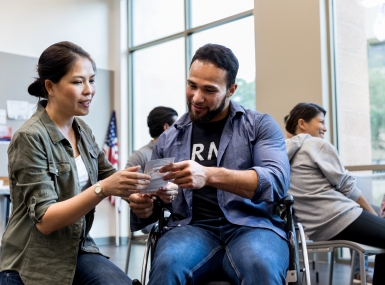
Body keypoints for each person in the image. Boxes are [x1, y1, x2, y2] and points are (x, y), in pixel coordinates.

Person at [129, 44, 291, 285]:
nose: (196, 97)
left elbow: (275, 181)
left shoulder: (259, 126)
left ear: (231, 90)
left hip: (253, 226)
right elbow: (153, 203)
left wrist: (209, 175)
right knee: (167, 265)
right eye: (192, 85)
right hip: (190, 229)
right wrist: (144, 206)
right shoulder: (169, 138)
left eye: (209, 90)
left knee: (261, 266)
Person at [0, 41, 152, 285]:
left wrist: (136, 195)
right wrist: (104, 189)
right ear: (50, 86)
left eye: (92, 80)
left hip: (77, 248)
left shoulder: (82, 130)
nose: (89, 90)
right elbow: (46, 220)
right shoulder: (30, 137)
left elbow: (107, 174)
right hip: (32, 260)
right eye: (78, 81)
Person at [285, 102, 385, 284]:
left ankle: (360, 274)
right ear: (302, 123)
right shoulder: (317, 145)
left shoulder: (280, 154)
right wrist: (374, 214)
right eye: (321, 122)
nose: (325, 128)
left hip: (316, 229)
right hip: (340, 217)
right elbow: (347, 187)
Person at [125, 106, 178, 232]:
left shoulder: (177, 152)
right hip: (153, 215)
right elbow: (127, 189)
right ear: (166, 127)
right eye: (175, 126)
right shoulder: (140, 155)